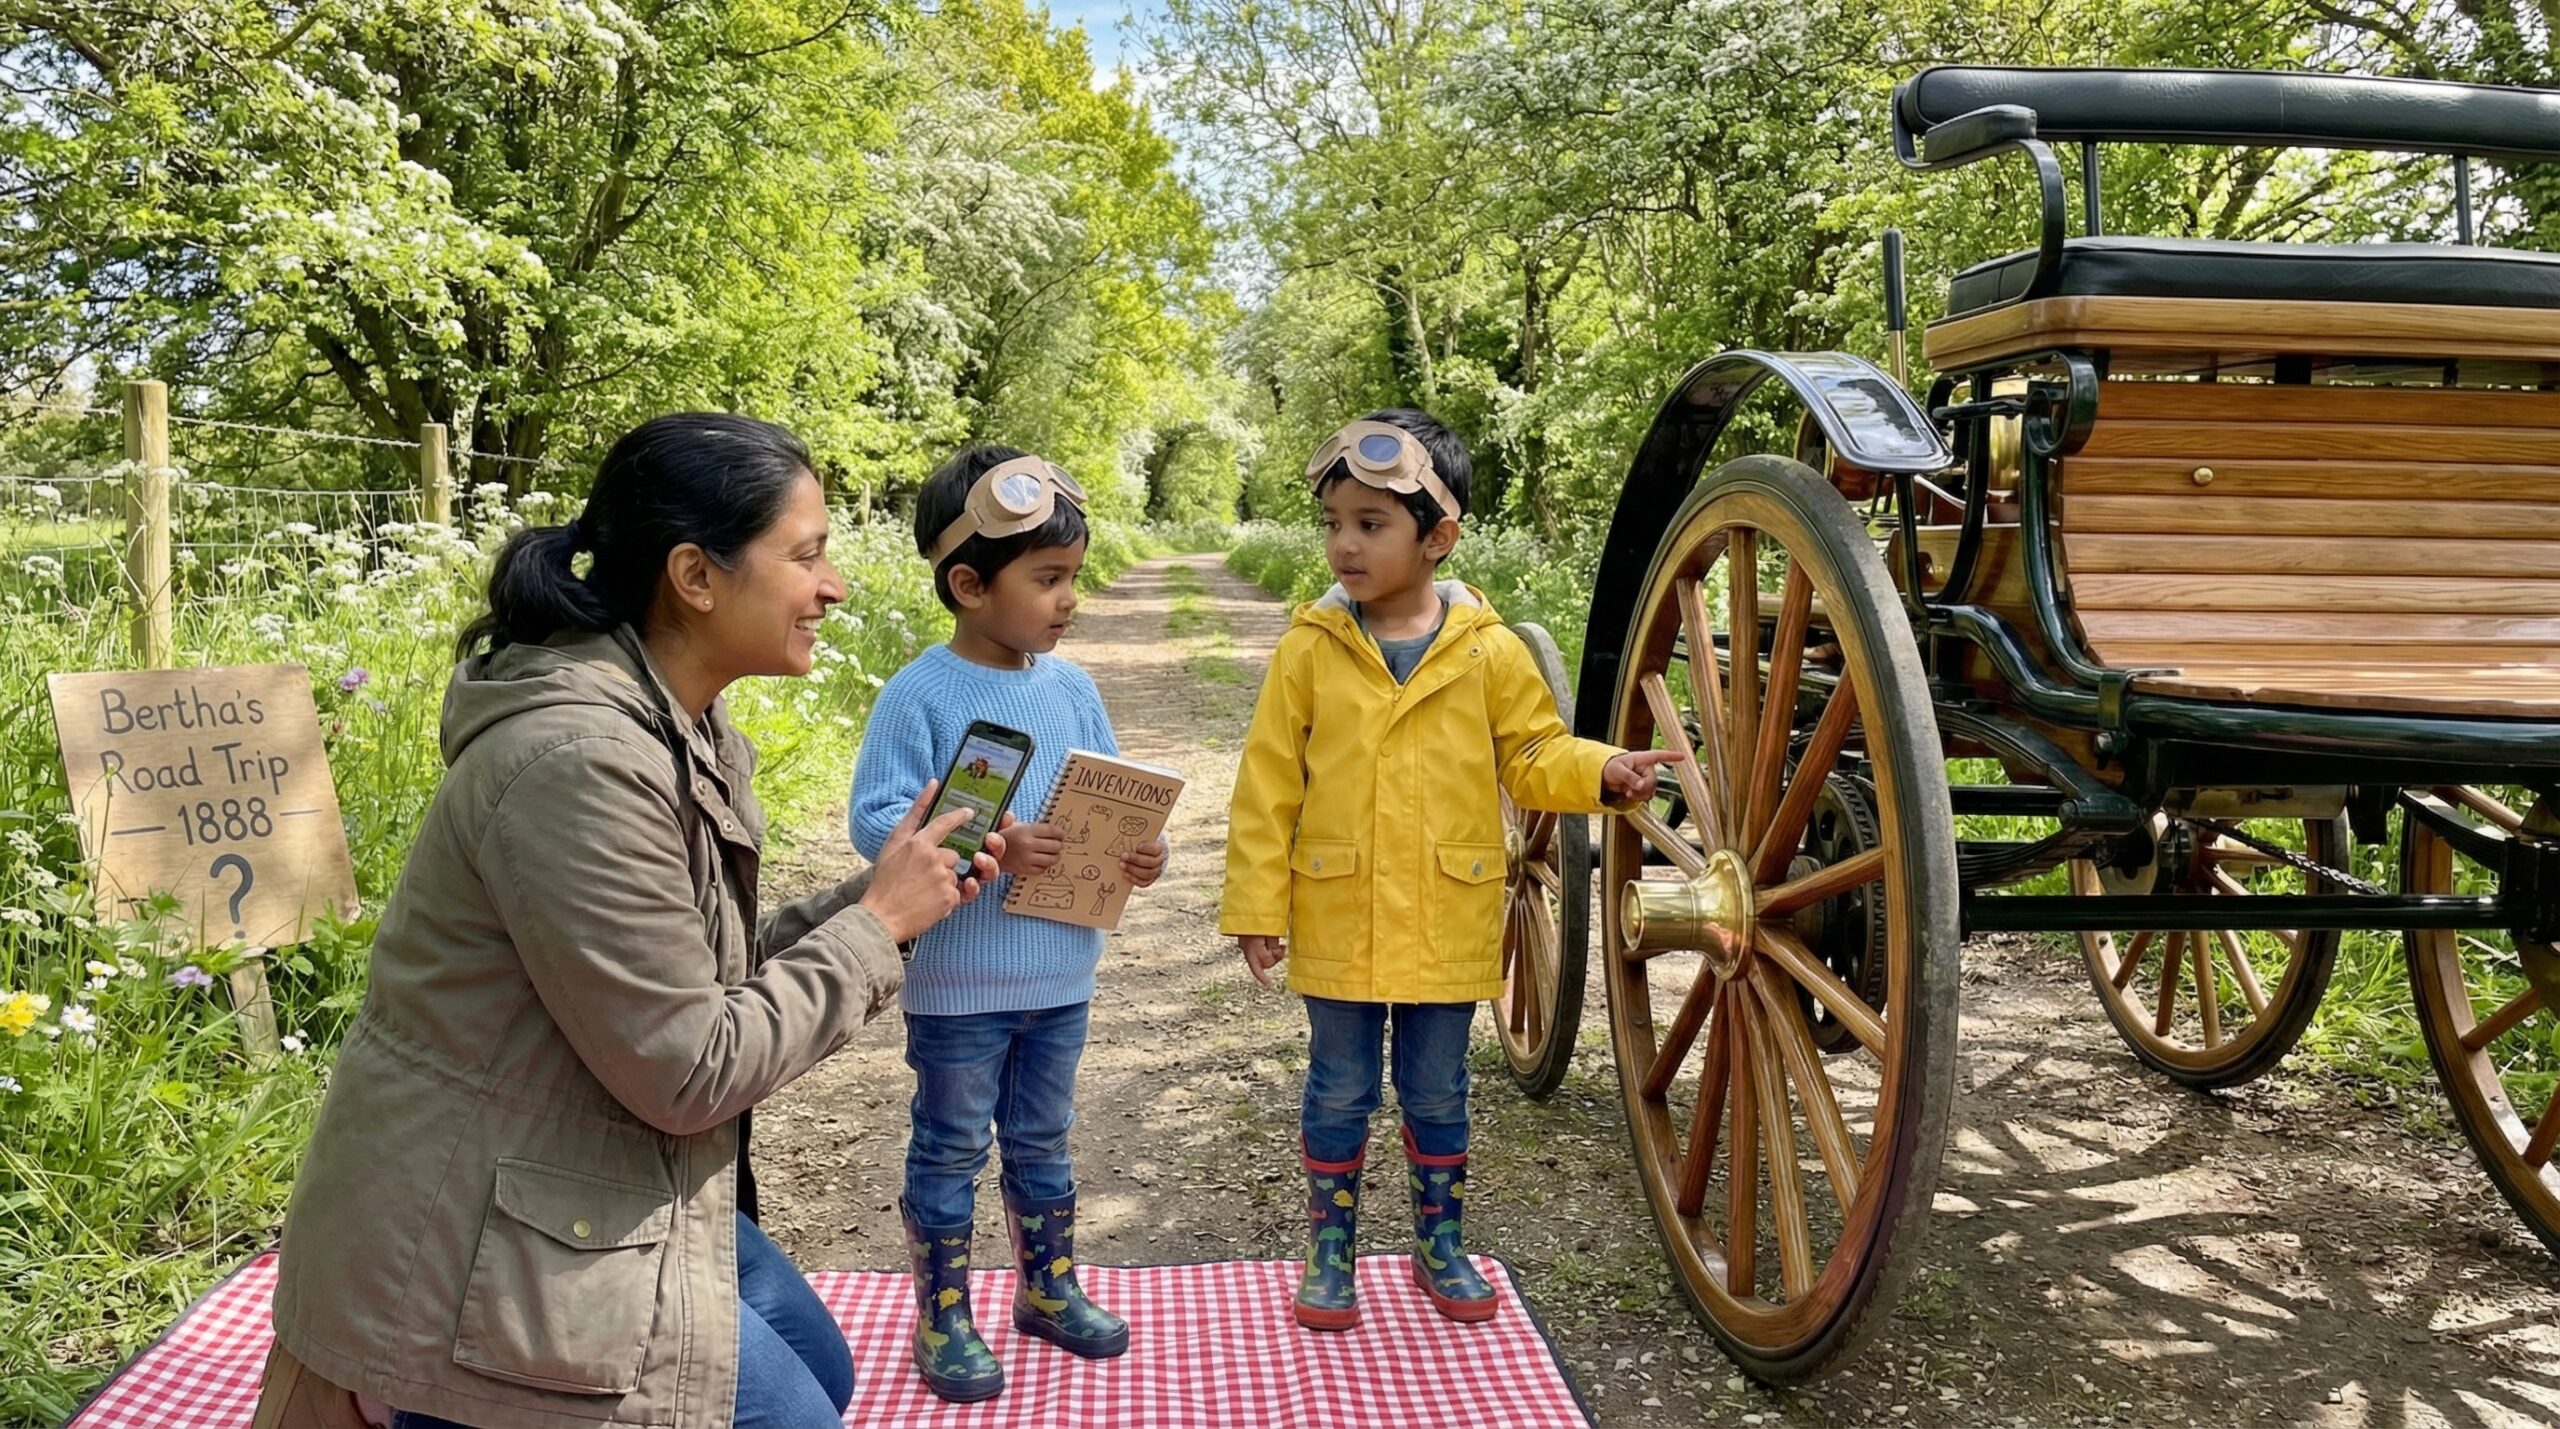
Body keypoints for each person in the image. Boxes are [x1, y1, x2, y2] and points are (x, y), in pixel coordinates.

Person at [259, 413, 1000, 1429]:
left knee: (819, 1365)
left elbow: (697, 978)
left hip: (575, 1165)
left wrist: (885, 902)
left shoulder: (674, 723)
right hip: (464, 1233)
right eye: (807, 555)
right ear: (696, 576)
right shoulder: (580, 760)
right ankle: (418, 1403)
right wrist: (874, 925)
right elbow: (690, 1067)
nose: (834, 588)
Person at [1219, 410, 1678, 1330]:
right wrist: (1255, 906)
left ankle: (1440, 1240)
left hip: (1444, 911)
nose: (1344, 544)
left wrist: (1602, 771)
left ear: (1438, 538)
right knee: (1339, 1084)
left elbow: (1534, 753)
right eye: (1334, 522)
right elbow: (1266, 786)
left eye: (1370, 524)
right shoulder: (1309, 650)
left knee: (1437, 1087)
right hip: (1340, 911)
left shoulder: (1489, 652)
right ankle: (1332, 1246)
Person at [847, 445, 1166, 1401]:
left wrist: (1137, 852)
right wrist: (993, 837)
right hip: (960, 984)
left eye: (1072, 578)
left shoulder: (1072, 689)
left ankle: (1048, 1287)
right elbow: (879, 819)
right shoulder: (920, 693)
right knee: (950, 1139)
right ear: (969, 584)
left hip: (1061, 971)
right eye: (1049, 579)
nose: (1070, 598)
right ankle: (943, 1311)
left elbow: (1112, 795)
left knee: (1045, 1135)